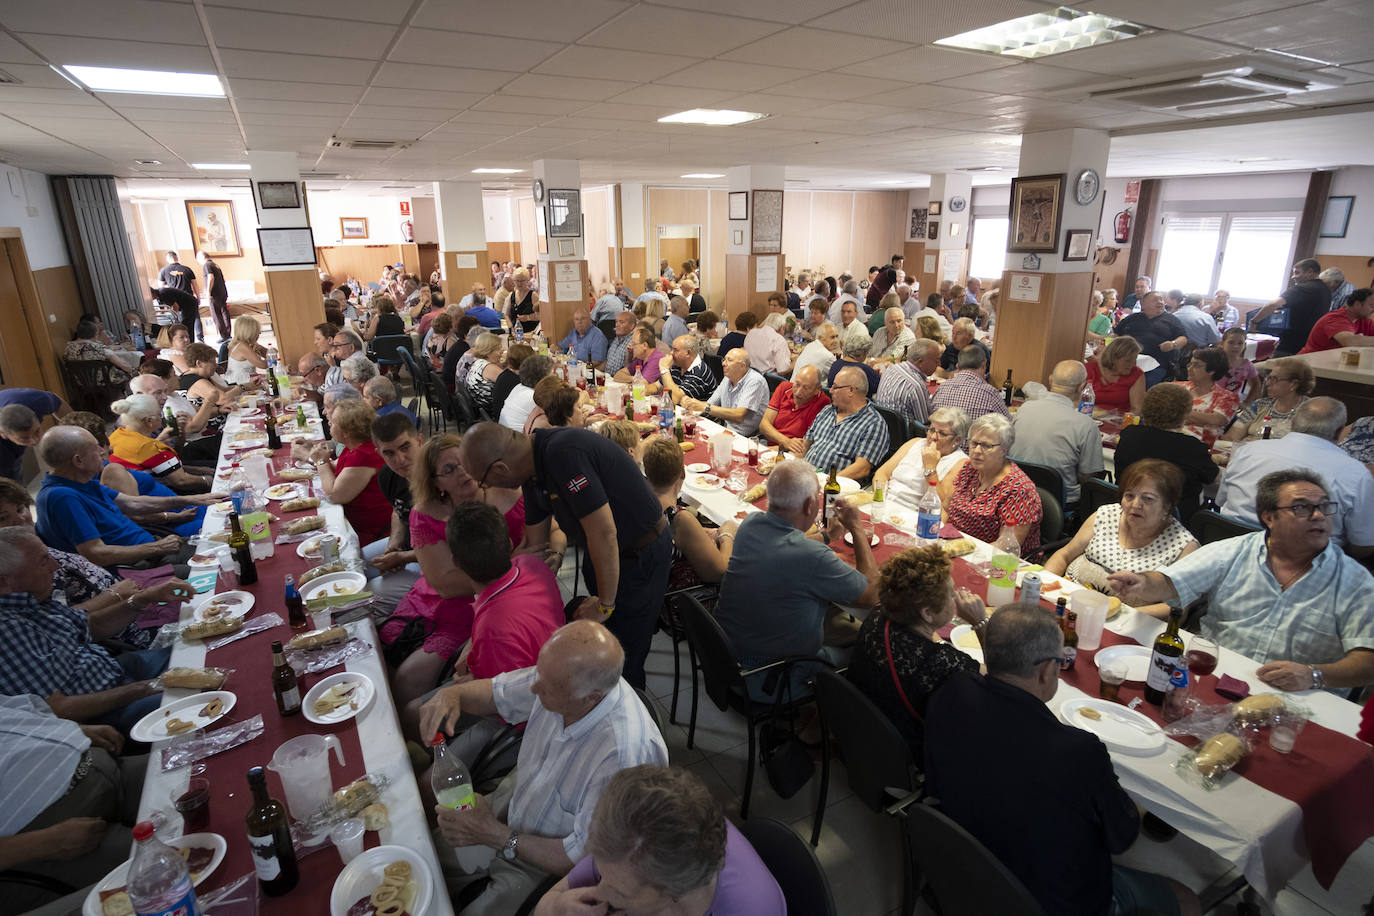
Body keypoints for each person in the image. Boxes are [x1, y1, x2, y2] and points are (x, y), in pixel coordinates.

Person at [925, 604, 1197, 916]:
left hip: (960, 858)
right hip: (1043, 899)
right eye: (1058, 660)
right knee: (1187, 898)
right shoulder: (1077, 751)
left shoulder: (952, 689)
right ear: (1045, 670)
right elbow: (1122, 838)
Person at [419, 621, 668, 915]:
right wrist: (452, 695)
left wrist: (494, 834)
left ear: (590, 698)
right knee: (422, 858)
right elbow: (496, 694)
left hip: (546, 866)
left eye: (546, 687)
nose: (534, 687)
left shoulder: (623, 757)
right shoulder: (560, 677)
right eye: (539, 672)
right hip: (515, 806)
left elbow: (582, 859)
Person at [1111, 470, 1374, 690]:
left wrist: (1314, 674)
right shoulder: (1235, 551)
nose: (1318, 516)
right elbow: (1170, 582)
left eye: (1324, 507)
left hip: (1301, 698)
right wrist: (1142, 583)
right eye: (1302, 507)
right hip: (1215, 677)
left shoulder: (1355, 581)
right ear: (1269, 517)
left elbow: (1368, 662)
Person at [458, 424, 672, 690]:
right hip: (602, 555)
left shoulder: (563, 453)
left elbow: (604, 533)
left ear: (501, 468)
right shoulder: (531, 470)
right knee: (603, 643)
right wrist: (481, 631)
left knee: (623, 653)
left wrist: (605, 604)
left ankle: (633, 716)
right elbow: (535, 546)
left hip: (640, 553)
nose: (486, 487)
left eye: (483, 481)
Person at [383, 434, 530, 708]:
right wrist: (513, 565)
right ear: (436, 483)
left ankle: (422, 734)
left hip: (490, 607)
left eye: (463, 463)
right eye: (449, 470)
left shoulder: (509, 492)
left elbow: (550, 533)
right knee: (388, 655)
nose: (462, 472)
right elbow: (445, 586)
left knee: (406, 680)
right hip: (445, 601)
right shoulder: (426, 512)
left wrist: (553, 553)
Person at [715, 460, 878, 698]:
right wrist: (857, 528)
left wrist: (827, 535)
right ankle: (822, 724)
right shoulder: (812, 558)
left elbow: (784, 545)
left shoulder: (751, 524)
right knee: (872, 653)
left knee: (837, 622)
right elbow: (871, 594)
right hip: (774, 677)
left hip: (728, 659)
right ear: (811, 504)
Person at [533, 764, 785, 916]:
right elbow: (546, 903)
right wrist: (558, 906)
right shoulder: (628, 843)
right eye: (601, 874)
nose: (599, 892)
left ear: (675, 892)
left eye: (619, 891)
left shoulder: (751, 910)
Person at [0, 528, 172, 734]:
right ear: (4, 582)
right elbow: (58, 708)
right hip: (107, 709)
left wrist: (143, 599)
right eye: (44, 561)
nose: (55, 567)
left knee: (206, 652)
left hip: (116, 670)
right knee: (195, 695)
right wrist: (140, 690)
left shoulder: (31, 599)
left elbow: (92, 626)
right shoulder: (7, 629)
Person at [0, 695, 151, 914]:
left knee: (204, 774)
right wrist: (40, 844)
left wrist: (75, 729)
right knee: (178, 862)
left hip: (102, 766)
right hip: (51, 842)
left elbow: (14, 711)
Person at [845, 546, 985, 760]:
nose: (956, 597)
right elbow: (999, 682)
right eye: (950, 593)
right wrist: (981, 623)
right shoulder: (940, 663)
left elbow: (927, 638)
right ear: (927, 613)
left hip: (864, 732)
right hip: (909, 754)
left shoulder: (878, 616)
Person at [1215, 398, 1373, 556]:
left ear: (1293, 422)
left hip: (1229, 552)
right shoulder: (1356, 474)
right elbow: (1363, 545)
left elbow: (1220, 502)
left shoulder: (1247, 451)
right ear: (1339, 433)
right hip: (1308, 569)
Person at [1046, 460, 1198, 619]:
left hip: (1126, 621)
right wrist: (1046, 583)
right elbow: (1064, 555)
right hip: (1068, 601)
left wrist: (1120, 615)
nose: (1135, 504)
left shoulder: (1184, 545)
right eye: (1129, 495)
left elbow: (1179, 608)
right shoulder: (1106, 515)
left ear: (1168, 505)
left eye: (1148, 499)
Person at [34, 427, 207, 567]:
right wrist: (156, 548)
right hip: (139, 564)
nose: (105, 451)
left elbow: (133, 503)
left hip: (154, 548)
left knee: (219, 539)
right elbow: (96, 554)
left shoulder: (82, 482)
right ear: (78, 460)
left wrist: (191, 499)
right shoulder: (62, 497)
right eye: (96, 449)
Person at [1114, 383, 1219, 521]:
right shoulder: (1191, 447)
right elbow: (1215, 480)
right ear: (1184, 414)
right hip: (1177, 524)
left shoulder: (1129, 434)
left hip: (1126, 514)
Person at [939, 414, 1041, 554]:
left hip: (989, 558)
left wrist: (959, 550)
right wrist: (939, 535)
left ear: (1004, 449)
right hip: (952, 545)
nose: (976, 451)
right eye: (974, 443)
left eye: (986, 446)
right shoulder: (969, 468)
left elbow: (1007, 545)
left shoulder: (1019, 490)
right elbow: (945, 508)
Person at [1009, 361, 1104, 507]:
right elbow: (1087, 476)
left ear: (1050, 380)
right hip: (1059, 502)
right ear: (1082, 387)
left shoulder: (1025, 409)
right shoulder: (1086, 425)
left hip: (1017, 491)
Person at [642, 438, 735, 588]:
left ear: (647, 472)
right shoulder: (679, 518)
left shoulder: (641, 502)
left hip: (646, 587)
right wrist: (727, 535)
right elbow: (719, 574)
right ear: (683, 473)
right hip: (680, 600)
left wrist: (700, 532)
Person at [300, 399, 392, 546]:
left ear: (347, 432)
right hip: (357, 522)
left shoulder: (364, 455)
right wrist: (308, 455)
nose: (328, 422)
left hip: (371, 532)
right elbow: (335, 468)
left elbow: (335, 495)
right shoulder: (353, 447)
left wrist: (320, 462)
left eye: (334, 421)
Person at [364, 413, 424, 618]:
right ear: (379, 453)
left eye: (405, 447)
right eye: (389, 453)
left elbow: (451, 547)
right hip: (412, 547)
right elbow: (398, 510)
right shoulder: (388, 476)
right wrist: (394, 544)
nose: (399, 460)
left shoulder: (441, 477)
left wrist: (404, 557)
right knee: (355, 563)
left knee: (368, 596)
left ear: (420, 441)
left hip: (439, 563)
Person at [108, 395, 211, 493]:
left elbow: (161, 466)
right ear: (149, 421)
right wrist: (207, 480)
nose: (162, 418)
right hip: (154, 495)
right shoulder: (150, 447)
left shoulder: (116, 435)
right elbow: (181, 481)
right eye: (159, 414)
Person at [802, 365, 889, 482]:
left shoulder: (874, 423)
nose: (830, 391)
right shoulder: (828, 410)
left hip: (835, 488)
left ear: (851, 390)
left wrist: (829, 481)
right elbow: (804, 447)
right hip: (805, 478)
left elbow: (862, 468)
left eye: (835, 387)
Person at [874, 406, 969, 512]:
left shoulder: (961, 463)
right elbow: (882, 473)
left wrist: (930, 468)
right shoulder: (915, 443)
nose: (933, 437)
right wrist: (879, 501)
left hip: (914, 515)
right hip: (884, 503)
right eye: (932, 430)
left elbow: (942, 504)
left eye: (942, 433)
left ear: (957, 440)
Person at [1249, 258, 1332, 357]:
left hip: (1292, 345)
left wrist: (1254, 322)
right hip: (1310, 344)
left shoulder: (1303, 288)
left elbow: (1273, 304)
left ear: (1310, 272)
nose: (1293, 277)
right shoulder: (1326, 290)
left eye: (1297, 273)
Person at [681, 349, 770, 437]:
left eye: (729, 360)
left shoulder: (754, 381)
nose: (723, 363)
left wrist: (705, 407)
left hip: (746, 438)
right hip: (725, 429)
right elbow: (710, 404)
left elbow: (739, 415)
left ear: (742, 366)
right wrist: (692, 404)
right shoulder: (728, 377)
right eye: (724, 359)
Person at [1224, 356, 1313, 443]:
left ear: (1293, 384)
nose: (1267, 383)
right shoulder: (1259, 405)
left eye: (1274, 379)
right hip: (1247, 453)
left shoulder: (1310, 412)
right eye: (1269, 378)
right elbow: (1231, 437)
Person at [1113, 291, 1186, 386]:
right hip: (1127, 359)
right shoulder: (1132, 318)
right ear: (1143, 303)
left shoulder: (1172, 319)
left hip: (1156, 363)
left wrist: (1173, 344)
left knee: (1143, 385)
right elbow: (1115, 334)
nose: (1160, 302)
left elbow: (1183, 338)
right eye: (1156, 300)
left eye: (1162, 300)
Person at [758, 365, 831, 456]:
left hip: (790, 453)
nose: (798, 392)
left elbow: (804, 446)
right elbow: (764, 425)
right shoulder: (784, 387)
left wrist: (768, 450)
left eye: (806, 388)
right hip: (769, 445)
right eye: (797, 384)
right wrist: (786, 442)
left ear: (817, 389)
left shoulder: (823, 403)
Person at [1174, 347, 1239, 446]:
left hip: (1201, 444)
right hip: (1171, 437)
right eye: (1189, 364)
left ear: (1212, 370)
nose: (1189, 369)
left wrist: (1175, 412)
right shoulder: (1176, 387)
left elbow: (1217, 420)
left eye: (1196, 365)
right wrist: (1201, 418)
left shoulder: (1227, 396)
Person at [0, 389, 69, 482]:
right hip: (4, 453)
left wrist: (76, 431)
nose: (35, 440)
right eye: (25, 438)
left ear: (36, 415)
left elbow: (58, 404)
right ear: (3, 434)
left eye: (37, 431)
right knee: (11, 485)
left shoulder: (32, 401)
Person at [931, 345, 1008, 422]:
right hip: (972, 433)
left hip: (941, 432)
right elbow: (1007, 424)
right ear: (983, 365)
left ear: (957, 365)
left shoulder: (941, 388)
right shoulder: (990, 393)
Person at [874, 337, 939, 427]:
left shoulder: (891, 368)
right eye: (936, 361)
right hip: (907, 437)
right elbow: (924, 424)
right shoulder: (916, 386)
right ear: (920, 362)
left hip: (883, 427)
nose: (939, 364)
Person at [1298, 287, 1374, 352]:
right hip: (1309, 364)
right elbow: (1350, 341)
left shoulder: (1365, 320)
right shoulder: (1335, 318)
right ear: (1357, 304)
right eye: (1372, 306)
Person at [65, 318, 138, 383]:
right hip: (104, 381)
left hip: (80, 382)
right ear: (95, 335)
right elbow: (124, 365)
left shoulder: (68, 347)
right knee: (130, 373)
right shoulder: (100, 348)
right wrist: (133, 370)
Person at [499, 354, 554, 432]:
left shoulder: (519, 387)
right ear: (542, 378)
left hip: (506, 435)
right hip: (518, 441)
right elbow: (555, 421)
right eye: (552, 374)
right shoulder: (533, 397)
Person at [657, 334, 716, 405]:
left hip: (701, 415)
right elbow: (657, 387)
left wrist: (664, 370)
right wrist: (643, 389)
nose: (671, 353)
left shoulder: (699, 372)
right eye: (672, 349)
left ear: (688, 353)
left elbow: (674, 399)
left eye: (675, 350)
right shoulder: (678, 365)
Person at [615, 326, 668, 395]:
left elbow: (642, 384)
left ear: (644, 345)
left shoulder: (657, 359)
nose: (631, 346)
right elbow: (617, 376)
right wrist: (634, 379)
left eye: (634, 344)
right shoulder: (640, 358)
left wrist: (633, 380)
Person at [464, 333, 506, 417]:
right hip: (494, 412)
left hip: (482, 410)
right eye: (498, 349)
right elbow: (514, 385)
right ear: (488, 351)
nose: (502, 351)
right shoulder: (490, 368)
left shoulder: (478, 362)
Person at [1216, 326, 1259, 405]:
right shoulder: (1213, 361)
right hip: (1210, 401)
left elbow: (1256, 384)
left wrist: (1246, 402)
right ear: (1222, 344)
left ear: (1244, 345)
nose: (1236, 346)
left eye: (1240, 343)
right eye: (1231, 342)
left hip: (1230, 404)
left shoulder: (1247, 365)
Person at [222, 315, 267, 384]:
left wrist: (260, 349)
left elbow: (271, 352)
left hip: (247, 379)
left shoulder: (246, 344)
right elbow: (263, 365)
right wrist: (272, 356)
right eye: (257, 331)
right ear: (249, 332)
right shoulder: (242, 346)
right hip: (238, 383)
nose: (259, 333)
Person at [196, 249, 229, 341]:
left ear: (202, 257)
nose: (198, 262)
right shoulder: (215, 264)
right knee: (224, 313)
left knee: (216, 315)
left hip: (214, 294)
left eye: (198, 259)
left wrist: (208, 291)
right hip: (222, 292)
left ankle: (223, 336)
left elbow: (211, 277)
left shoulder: (207, 265)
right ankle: (227, 334)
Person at [507, 267, 541, 334]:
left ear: (527, 281)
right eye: (517, 281)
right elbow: (506, 314)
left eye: (522, 281)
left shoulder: (533, 295)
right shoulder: (511, 295)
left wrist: (528, 317)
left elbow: (541, 316)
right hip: (516, 333)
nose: (519, 283)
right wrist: (511, 327)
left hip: (531, 333)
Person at [604, 310, 637, 376]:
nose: (617, 325)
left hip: (621, 381)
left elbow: (630, 370)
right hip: (608, 378)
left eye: (621, 322)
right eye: (616, 322)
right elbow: (608, 362)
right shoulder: (617, 338)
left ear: (632, 326)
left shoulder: (634, 341)